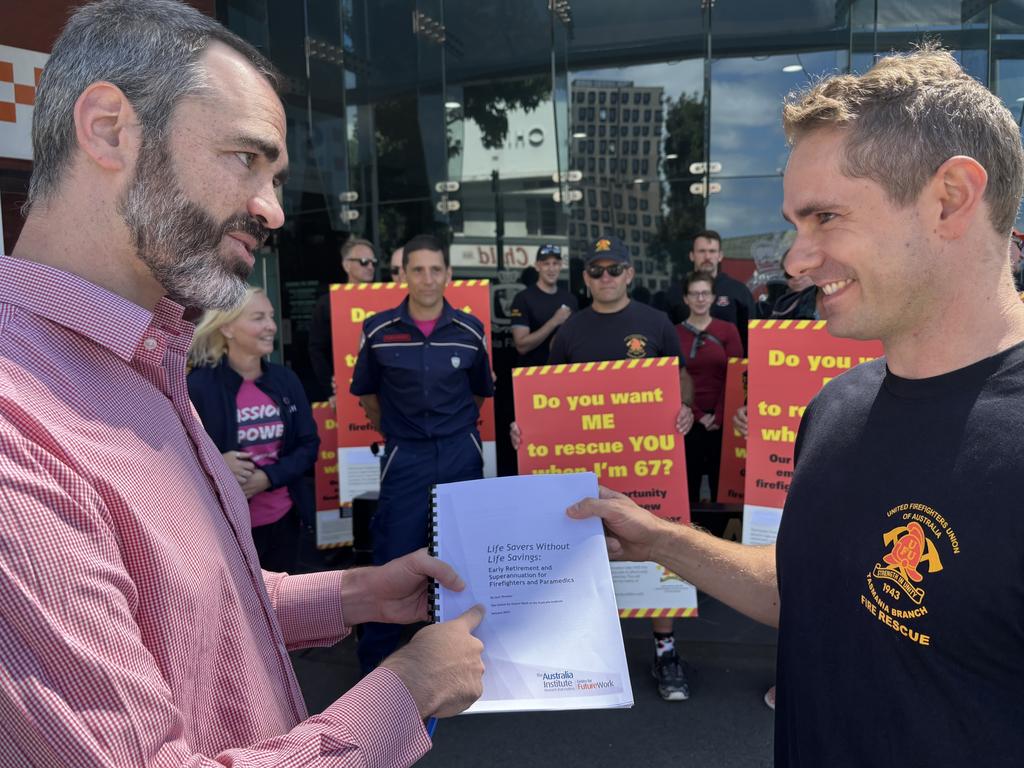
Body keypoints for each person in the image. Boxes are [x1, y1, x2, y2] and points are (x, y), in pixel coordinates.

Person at [0, 2, 484, 764]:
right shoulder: (16, 430)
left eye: (277, 175)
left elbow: (191, 606)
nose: (273, 211)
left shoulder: (147, 359)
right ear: (107, 129)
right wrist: (407, 689)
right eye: (246, 159)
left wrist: (354, 594)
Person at [570, 46, 1024, 767]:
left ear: (950, 199)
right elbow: (812, 594)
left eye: (825, 217)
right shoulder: (837, 406)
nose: (796, 259)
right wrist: (661, 540)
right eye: (794, 222)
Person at [512, 235, 696, 701]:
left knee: (655, 547)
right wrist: (526, 430)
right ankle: (582, 652)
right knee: (581, 550)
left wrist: (686, 408)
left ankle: (665, 648)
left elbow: (680, 378)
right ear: (586, 278)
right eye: (596, 271)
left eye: (615, 269)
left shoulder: (656, 323)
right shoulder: (570, 331)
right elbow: (547, 396)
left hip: (646, 462)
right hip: (585, 465)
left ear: (630, 274)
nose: (606, 277)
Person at [351, 233, 495, 672]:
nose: (428, 278)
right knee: (394, 556)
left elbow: (478, 396)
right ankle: (374, 668)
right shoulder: (378, 330)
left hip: (460, 453)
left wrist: (450, 432)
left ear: (449, 274)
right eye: (418, 269)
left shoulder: (471, 330)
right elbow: (368, 397)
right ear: (404, 274)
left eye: (436, 269)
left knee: (465, 556)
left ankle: (471, 663)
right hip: (406, 457)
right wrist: (400, 432)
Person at [188, 287, 318, 573]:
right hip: (225, 530)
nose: (271, 326)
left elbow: (309, 446)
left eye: (270, 317)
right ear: (228, 327)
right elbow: (175, 460)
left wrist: (267, 477)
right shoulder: (198, 387)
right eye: (258, 318)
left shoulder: (286, 380)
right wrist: (216, 464)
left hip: (286, 524)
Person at [675, 271, 743, 503]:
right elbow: (674, 379)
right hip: (685, 422)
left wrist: (719, 416)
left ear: (713, 297)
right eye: (694, 294)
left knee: (721, 490)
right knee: (688, 489)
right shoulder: (674, 333)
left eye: (705, 293)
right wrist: (697, 415)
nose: (700, 299)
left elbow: (735, 377)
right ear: (686, 299)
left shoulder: (728, 330)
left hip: (721, 423)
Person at [307, 237, 379, 401]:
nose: (370, 267)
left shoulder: (384, 298)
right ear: (346, 265)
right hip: (342, 389)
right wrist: (329, 390)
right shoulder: (328, 303)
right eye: (363, 261)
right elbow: (316, 350)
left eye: (373, 262)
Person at [672, 230, 754, 351]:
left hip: (730, 366)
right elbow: (666, 338)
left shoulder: (739, 291)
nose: (707, 257)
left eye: (712, 251)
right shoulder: (675, 292)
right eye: (702, 251)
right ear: (691, 256)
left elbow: (751, 339)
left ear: (720, 256)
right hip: (685, 367)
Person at [509, 243, 578, 367]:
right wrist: (554, 321)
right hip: (531, 374)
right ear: (537, 266)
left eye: (555, 263)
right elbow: (521, 346)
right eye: (546, 264)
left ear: (561, 265)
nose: (551, 269)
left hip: (562, 373)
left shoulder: (570, 299)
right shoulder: (523, 298)